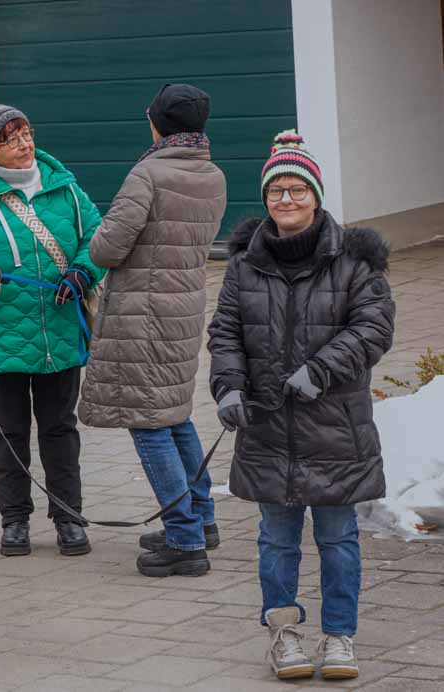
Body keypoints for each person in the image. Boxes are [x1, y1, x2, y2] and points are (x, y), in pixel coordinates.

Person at [208, 130, 394, 681]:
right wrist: (229, 386)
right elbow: (225, 332)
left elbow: (373, 328)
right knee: (276, 539)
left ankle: (339, 638)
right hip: (266, 428)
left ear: (315, 194)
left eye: (296, 189)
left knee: (338, 538)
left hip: (337, 427)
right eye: (275, 192)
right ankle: (284, 634)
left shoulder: (354, 260)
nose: (285, 200)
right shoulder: (244, 263)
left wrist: (319, 369)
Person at [78, 84, 227, 578]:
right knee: (175, 415)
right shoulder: (213, 174)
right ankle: (200, 519)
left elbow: (105, 249)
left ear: (158, 123)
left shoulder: (147, 174)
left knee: (149, 424)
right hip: (182, 313)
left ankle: (184, 539)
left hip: (141, 318)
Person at [0, 103, 105, 558]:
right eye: (11, 137)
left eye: (27, 133)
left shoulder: (66, 189)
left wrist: (84, 272)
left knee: (60, 429)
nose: (24, 143)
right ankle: (14, 521)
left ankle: (69, 518)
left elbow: (97, 239)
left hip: (57, 332)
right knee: (9, 432)